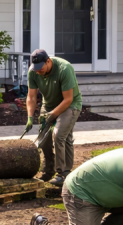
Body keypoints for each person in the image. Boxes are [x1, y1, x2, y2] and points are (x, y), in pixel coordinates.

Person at [25, 48, 83, 187]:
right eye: (35, 68)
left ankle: (63, 173)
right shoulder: (33, 72)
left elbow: (68, 99)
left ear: (48, 61)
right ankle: (48, 170)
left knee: (59, 135)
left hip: (70, 105)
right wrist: (30, 117)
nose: (38, 71)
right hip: (49, 105)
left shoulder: (65, 69)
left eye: (40, 68)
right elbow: (31, 96)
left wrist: (53, 115)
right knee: (43, 138)